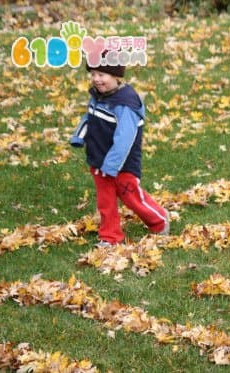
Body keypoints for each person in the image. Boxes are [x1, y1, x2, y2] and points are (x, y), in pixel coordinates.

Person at [70, 55, 169, 246]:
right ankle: (110, 237)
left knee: (131, 197)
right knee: (105, 202)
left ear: (116, 76)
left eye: (102, 74)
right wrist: (78, 136)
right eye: (93, 74)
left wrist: (112, 164)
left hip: (122, 163)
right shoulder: (98, 96)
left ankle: (159, 219)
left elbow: (125, 139)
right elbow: (89, 117)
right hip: (98, 159)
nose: (97, 79)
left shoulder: (126, 104)